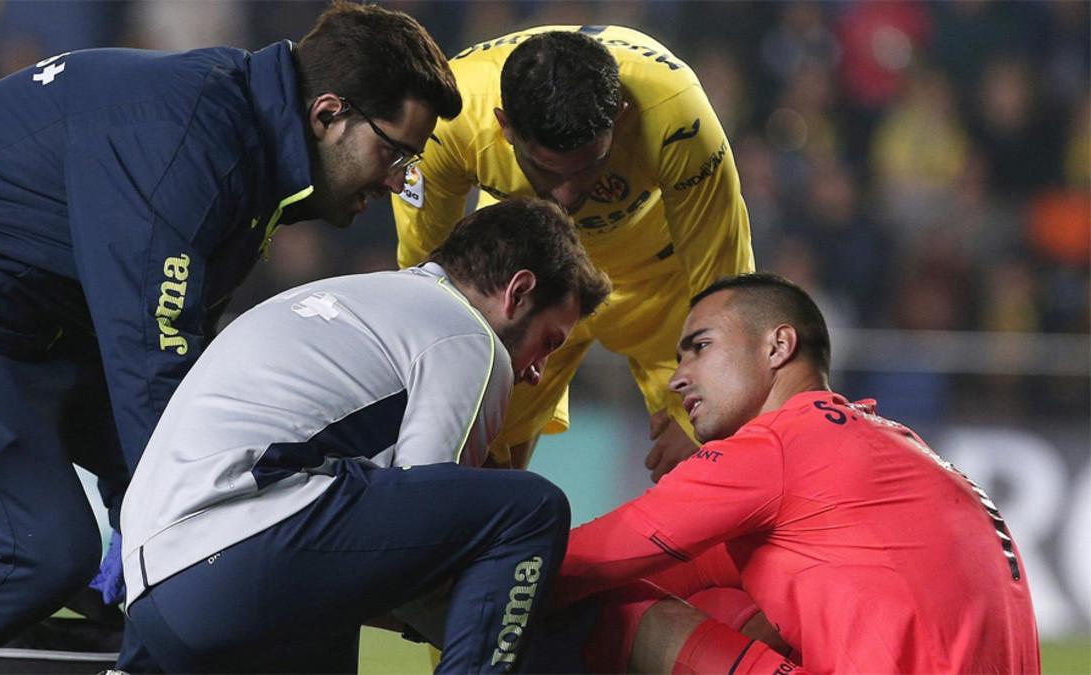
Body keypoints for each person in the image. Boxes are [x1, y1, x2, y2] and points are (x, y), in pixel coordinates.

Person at [0, 2, 461, 671]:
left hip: (32, 321)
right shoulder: (195, 146)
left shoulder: (246, 149)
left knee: (175, 583)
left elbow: (179, 382)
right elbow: (150, 375)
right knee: (43, 549)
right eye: (393, 152)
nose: (398, 180)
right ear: (327, 113)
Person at [119, 198, 612, 672]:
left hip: (155, 598)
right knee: (528, 507)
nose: (537, 373)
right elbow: (431, 546)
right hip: (232, 561)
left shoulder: (363, 299)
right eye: (549, 343)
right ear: (518, 292)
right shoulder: (465, 335)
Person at [547, 273, 1040, 673]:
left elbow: (585, 560)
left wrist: (481, 564)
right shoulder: (882, 443)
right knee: (726, 607)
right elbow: (692, 568)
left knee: (613, 613)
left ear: (779, 345)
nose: (678, 378)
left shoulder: (781, 443)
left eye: (700, 347)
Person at [392, 26, 755, 480]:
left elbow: (728, 285)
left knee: (722, 446)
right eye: (544, 169)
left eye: (589, 167)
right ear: (505, 127)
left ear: (620, 119)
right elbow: (426, 284)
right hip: (528, 278)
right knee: (474, 453)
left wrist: (704, 409)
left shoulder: (677, 117)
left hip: (660, 288)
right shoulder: (449, 120)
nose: (565, 198)